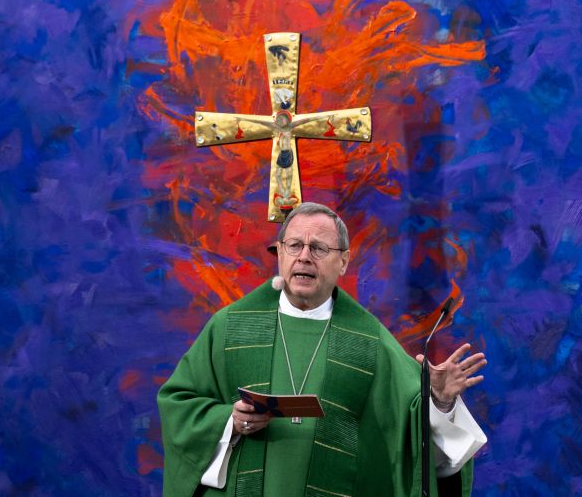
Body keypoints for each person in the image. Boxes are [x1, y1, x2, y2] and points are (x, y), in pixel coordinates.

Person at [158, 202, 487, 497]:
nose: (304, 257)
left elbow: (411, 434)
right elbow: (178, 405)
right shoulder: (231, 326)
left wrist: (439, 401)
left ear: (343, 262)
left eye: (318, 248)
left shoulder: (369, 340)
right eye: (294, 246)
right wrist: (229, 421)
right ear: (280, 253)